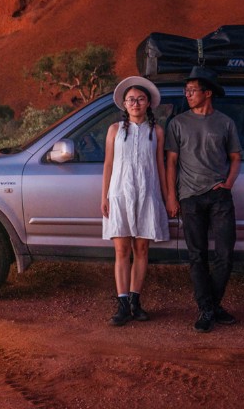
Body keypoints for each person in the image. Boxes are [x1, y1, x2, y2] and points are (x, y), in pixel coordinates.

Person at [163, 64, 242, 332]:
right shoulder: (178, 123)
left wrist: (229, 183)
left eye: (192, 90)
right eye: (186, 90)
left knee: (225, 253)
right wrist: (172, 198)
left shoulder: (225, 122)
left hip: (220, 196)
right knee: (197, 255)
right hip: (190, 197)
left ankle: (211, 305)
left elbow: (235, 157)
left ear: (207, 93)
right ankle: (207, 309)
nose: (187, 94)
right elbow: (171, 163)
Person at [100, 76, 165, 326]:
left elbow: (159, 165)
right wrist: (104, 196)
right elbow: (108, 164)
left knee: (142, 249)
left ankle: (136, 302)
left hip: (147, 194)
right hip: (119, 193)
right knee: (121, 249)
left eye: (140, 99)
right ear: (124, 105)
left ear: (148, 103)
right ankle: (122, 303)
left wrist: (166, 197)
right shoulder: (114, 130)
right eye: (131, 100)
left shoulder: (156, 132)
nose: (135, 103)